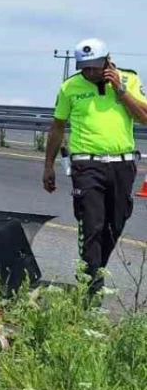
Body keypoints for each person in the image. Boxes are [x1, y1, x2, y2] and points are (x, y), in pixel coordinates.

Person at [42, 38, 147, 298]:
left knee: (116, 222)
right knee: (91, 225)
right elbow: (57, 127)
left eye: (94, 67)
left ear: (107, 62)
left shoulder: (129, 79)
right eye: (84, 68)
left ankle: (96, 270)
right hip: (86, 165)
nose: (89, 73)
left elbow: (144, 118)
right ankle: (90, 289)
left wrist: (121, 91)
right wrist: (48, 166)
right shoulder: (70, 87)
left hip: (122, 164)